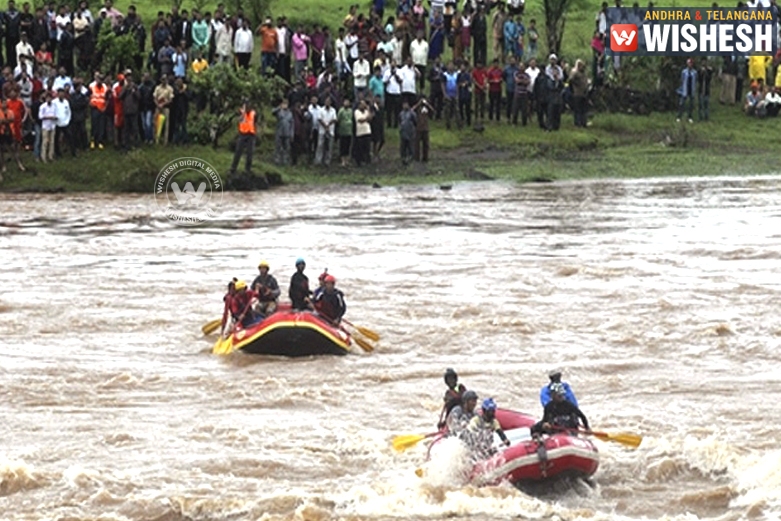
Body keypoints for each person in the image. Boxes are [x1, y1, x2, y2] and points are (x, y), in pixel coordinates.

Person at [229, 99, 258, 175]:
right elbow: (239, 120)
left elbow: (255, 122)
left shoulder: (253, 113)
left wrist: (256, 133)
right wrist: (243, 113)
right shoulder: (241, 113)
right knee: (238, 152)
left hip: (251, 134)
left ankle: (247, 169)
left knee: (250, 153)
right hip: (242, 134)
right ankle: (233, 168)